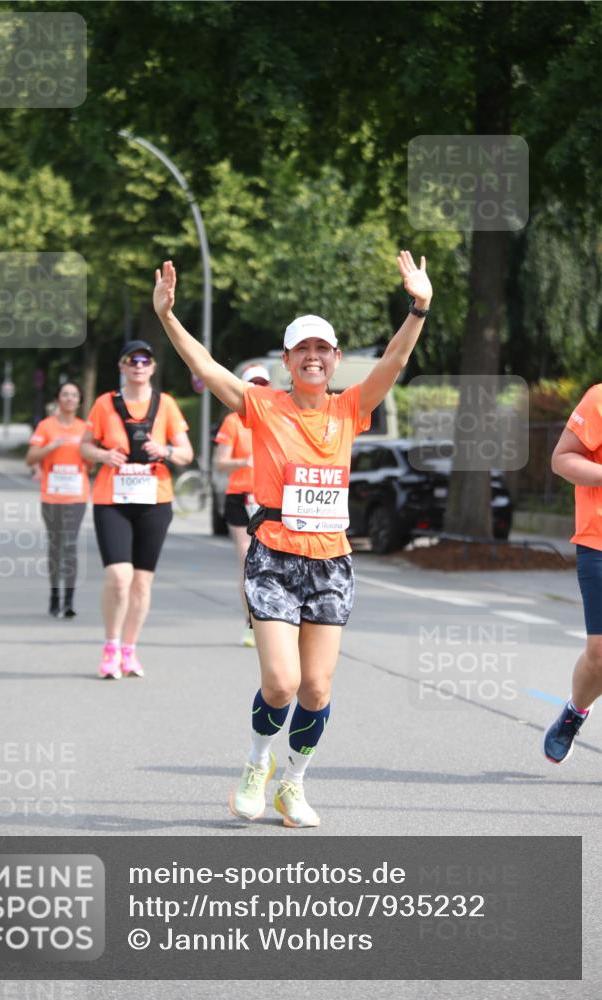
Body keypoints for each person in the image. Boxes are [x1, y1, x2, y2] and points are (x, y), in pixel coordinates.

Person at [153, 252, 432, 827]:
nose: (312, 357)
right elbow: (207, 368)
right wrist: (168, 318)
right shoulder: (261, 406)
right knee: (280, 683)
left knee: (317, 686)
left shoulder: (351, 408)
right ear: (286, 361)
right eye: (301, 349)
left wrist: (420, 305)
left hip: (331, 561)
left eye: (321, 349)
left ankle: (293, 784)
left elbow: (397, 358)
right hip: (275, 556)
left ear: (333, 361)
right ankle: (257, 764)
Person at [80, 340, 194, 679]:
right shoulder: (104, 404)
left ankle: (130, 650)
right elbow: (85, 446)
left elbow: (186, 453)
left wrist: (165, 450)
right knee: (118, 578)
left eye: (145, 360)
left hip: (154, 500)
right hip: (112, 499)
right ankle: (110, 646)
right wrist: (103, 456)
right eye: (132, 360)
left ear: (153, 368)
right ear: (122, 367)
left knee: (142, 584)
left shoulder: (167, 405)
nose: (139, 366)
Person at [543, 383, 602, 763]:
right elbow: (563, 458)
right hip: (599, 539)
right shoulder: (600, 398)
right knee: (600, 654)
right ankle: (576, 711)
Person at [214, 363, 271, 648]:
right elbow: (219, 462)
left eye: (264, 383)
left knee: (269, 563)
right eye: (253, 384)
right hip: (240, 496)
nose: (259, 389)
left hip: (269, 501)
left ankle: (271, 622)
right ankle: (250, 622)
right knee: (247, 560)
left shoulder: (276, 418)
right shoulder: (233, 422)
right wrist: (242, 462)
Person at [26, 382, 90, 618]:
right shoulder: (46, 426)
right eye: (65, 394)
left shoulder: (85, 428)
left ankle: (69, 600)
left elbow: (91, 460)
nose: (70, 399)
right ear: (58, 398)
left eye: (74, 395)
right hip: (51, 495)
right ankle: (54, 594)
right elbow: (30, 457)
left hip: (77, 495)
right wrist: (49, 447)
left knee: (70, 545)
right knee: (55, 547)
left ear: (79, 401)